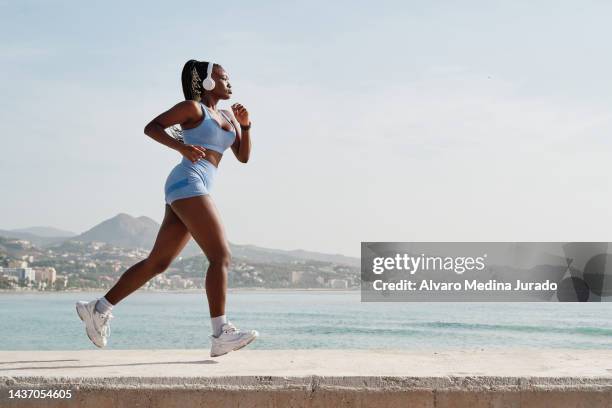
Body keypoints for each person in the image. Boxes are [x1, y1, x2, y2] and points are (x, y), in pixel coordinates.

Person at [76, 59, 258, 357]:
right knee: (221, 256)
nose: (230, 83)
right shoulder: (192, 108)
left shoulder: (227, 116)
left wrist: (246, 125)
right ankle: (220, 332)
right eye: (224, 78)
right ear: (208, 82)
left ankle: (98, 308)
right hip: (188, 181)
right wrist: (182, 148)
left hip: (192, 188)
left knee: (158, 262)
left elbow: (244, 156)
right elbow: (152, 127)